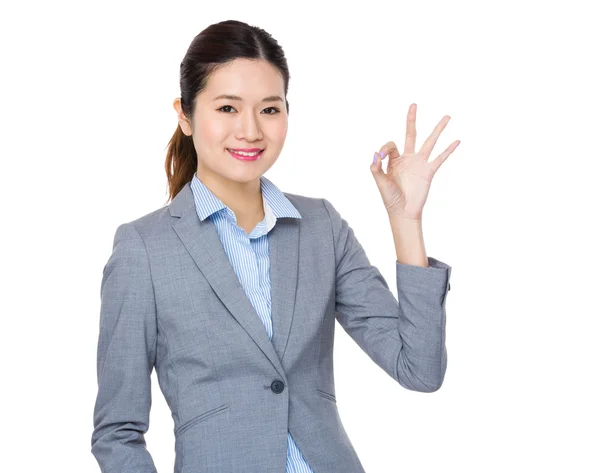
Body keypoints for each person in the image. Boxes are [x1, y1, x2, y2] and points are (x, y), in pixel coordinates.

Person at [91, 19, 458, 473]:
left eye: (269, 109)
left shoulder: (320, 226)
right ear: (185, 116)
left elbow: (420, 370)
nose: (250, 131)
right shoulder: (144, 249)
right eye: (227, 108)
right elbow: (117, 432)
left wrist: (406, 221)